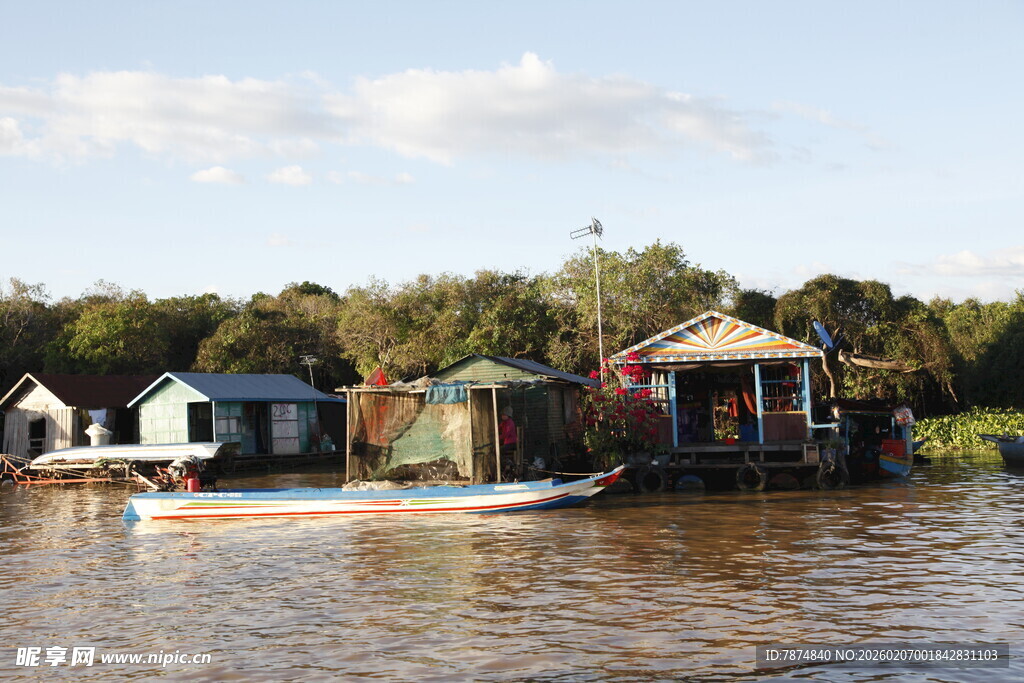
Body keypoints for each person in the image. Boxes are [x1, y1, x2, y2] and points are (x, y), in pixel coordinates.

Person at [499, 406, 518, 477]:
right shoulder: (504, 423)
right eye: (502, 415)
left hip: (511, 443)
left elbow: (505, 435)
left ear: (508, 416)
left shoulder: (510, 423)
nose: (502, 416)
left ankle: (508, 462)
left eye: (504, 415)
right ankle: (507, 463)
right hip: (507, 443)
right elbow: (499, 427)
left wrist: (498, 437)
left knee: (499, 451)